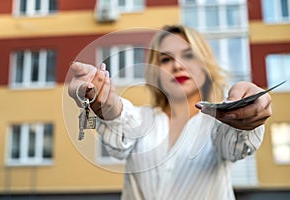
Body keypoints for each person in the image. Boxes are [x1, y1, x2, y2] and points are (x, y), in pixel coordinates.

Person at [68, 25, 272, 199]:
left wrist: (245, 112)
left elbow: (235, 144)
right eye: (165, 59)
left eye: (189, 55)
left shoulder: (217, 125)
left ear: (205, 65)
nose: (176, 65)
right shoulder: (143, 119)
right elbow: (121, 121)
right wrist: (106, 102)